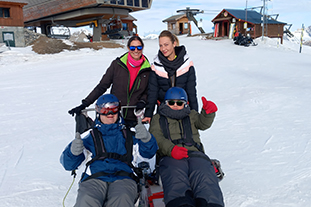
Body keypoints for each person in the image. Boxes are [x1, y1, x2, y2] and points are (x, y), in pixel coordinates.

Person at [60, 94, 158, 207]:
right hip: (95, 178)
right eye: (105, 110)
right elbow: (68, 165)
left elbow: (148, 154)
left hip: (123, 178)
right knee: (87, 200)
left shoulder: (130, 134)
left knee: (121, 199)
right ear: (98, 112)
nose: (110, 114)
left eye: (113, 109)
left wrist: (147, 140)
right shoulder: (89, 136)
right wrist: (73, 153)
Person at [149, 87, 224, 207]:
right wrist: (171, 149)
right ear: (165, 103)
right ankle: (181, 204)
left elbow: (202, 124)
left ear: (185, 104)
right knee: (176, 178)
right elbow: (156, 137)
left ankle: (211, 203)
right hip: (171, 156)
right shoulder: (158, 118)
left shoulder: (191, 115)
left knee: (204, 176)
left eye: (179, 103)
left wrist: (208, 113)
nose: (175, 105)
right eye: (171, 103)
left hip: (195, 154)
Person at [69, 36, 151, 127]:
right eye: (132, 47)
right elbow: (102, 86)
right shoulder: (117, 65)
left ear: (142, 48)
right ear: (128, 48)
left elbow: (148, 91)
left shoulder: (147, 69)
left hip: (134, 117)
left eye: (139, 47)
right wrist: (84, 104)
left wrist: (143, 101)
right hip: (115, 115)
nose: (136, 50)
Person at [143, 30, 198, 123]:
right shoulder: (156, 66)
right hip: (163, 112)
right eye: (161, 45)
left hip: (182, 111)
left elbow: (191, 91)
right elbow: (153, 92)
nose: (163, 48)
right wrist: (148, 113)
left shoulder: (187, 65)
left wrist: (195, 113)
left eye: (166, 44)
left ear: (174, 43)